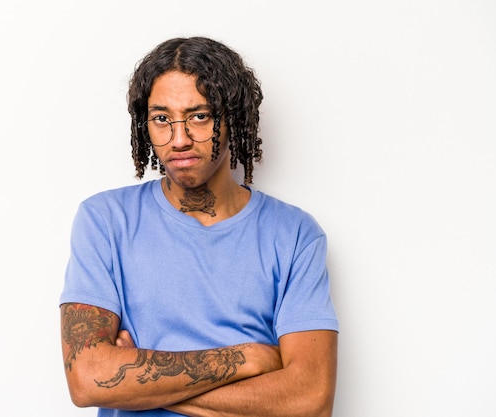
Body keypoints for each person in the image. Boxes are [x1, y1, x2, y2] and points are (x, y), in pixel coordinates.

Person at [59, 36, 339, 417]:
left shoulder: (295, 235)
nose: (179, 139)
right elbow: (88, 379)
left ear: (232, 120)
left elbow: (310, 398)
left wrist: (136, 382)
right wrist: (249, 359)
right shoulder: (105, 220)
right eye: (161, 119)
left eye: (199, 116)